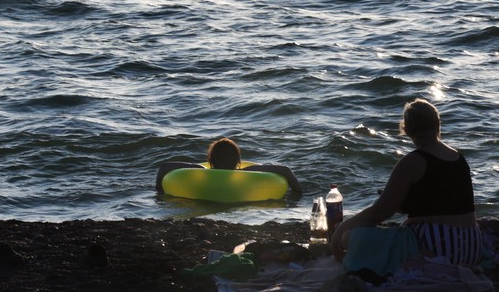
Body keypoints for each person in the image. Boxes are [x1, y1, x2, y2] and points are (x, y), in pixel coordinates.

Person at [330, 100, 479, 264]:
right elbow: (439, 203)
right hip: (470, 246)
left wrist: (341, 228)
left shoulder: (413, 161)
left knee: (348, 238)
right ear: (438, 124)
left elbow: (378, 214)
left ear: (406, 129)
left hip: (435, 249)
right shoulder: (458, 157)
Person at [154, 137, 300, 193]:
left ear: (211, 159)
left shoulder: (201, 171)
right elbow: (285, 170)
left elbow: (164, 167)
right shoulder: (246, 172)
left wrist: (160, 192)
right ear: (238, 161)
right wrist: (297, 195)